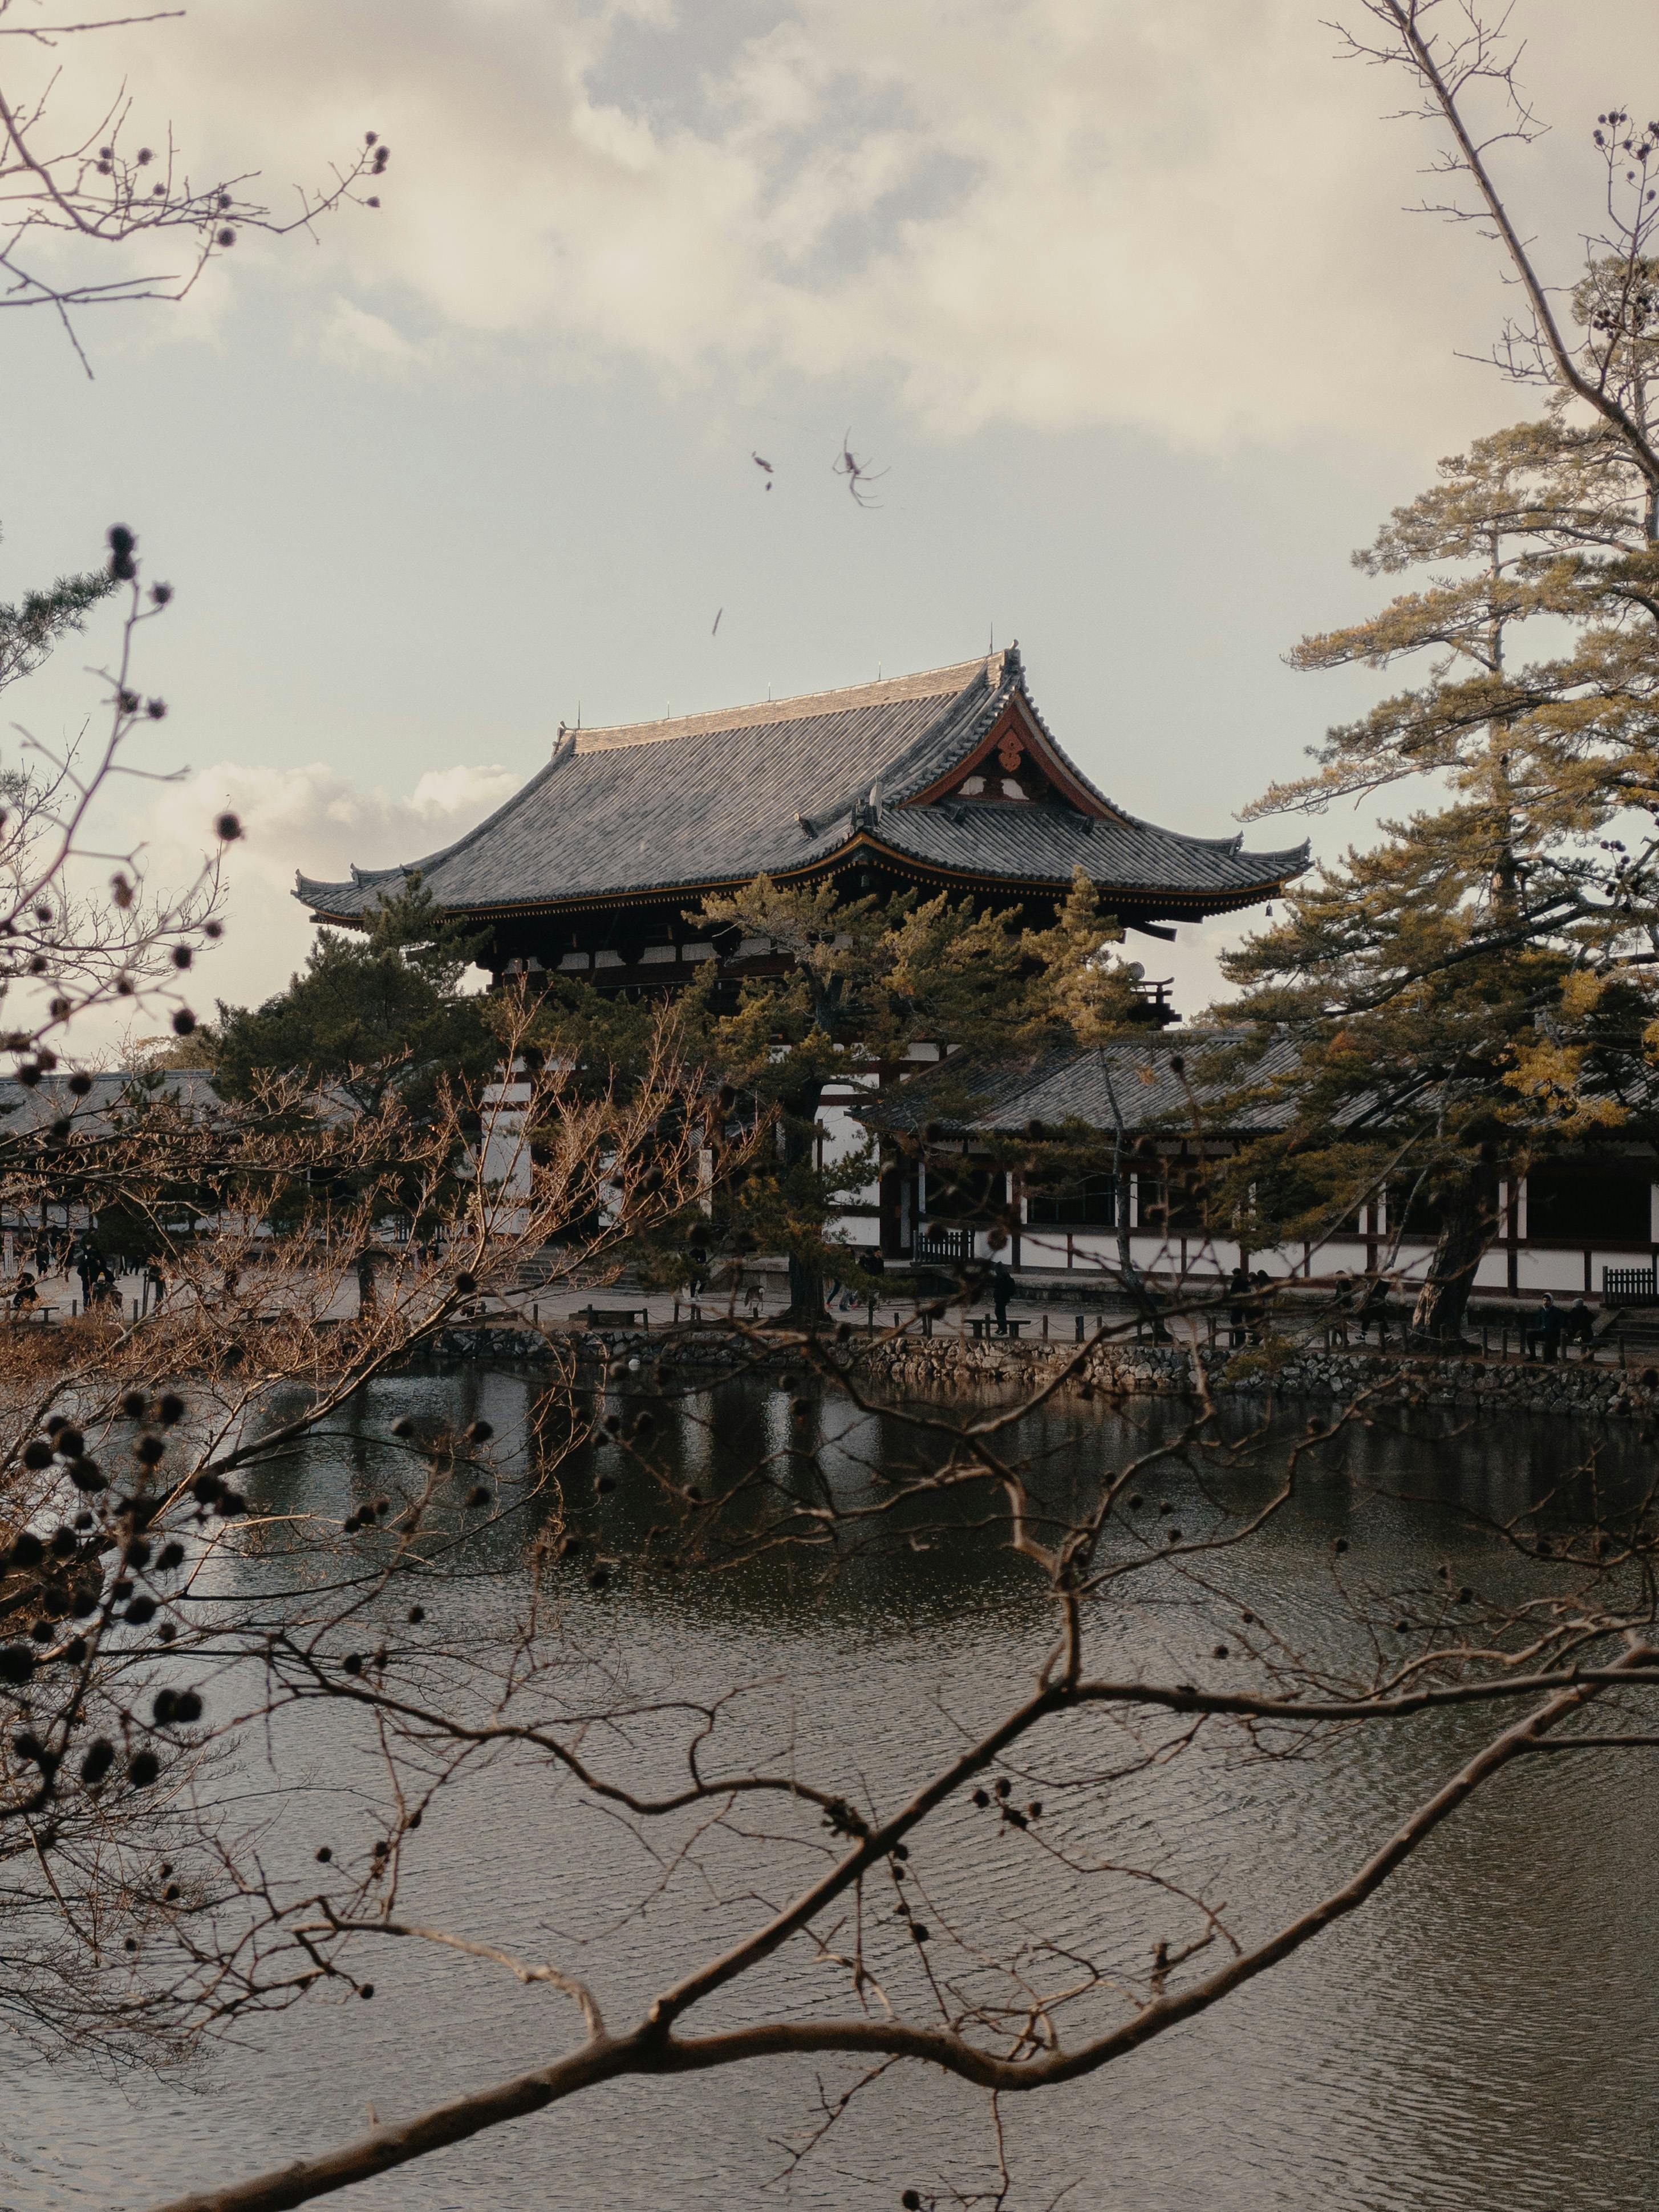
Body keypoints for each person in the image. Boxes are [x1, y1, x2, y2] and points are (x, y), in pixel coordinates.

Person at [1525, 1293, 1564, 1363]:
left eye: (1548, 1301)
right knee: (1530, 1335)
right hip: (1543, 1332)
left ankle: (1548, 1359)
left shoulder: (1557, 1311)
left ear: (1551, 1301)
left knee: (1549, 1340)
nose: (1546, 1302)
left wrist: (1554, 1329)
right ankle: (1533, 1356)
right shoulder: (1542, 1311)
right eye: (1544, 1300)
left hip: (1553, 1334)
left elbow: (1562, 1323)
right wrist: (1540, 1328)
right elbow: (1538, 1321)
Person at [991, 1260, 1015, 1334]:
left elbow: (996, 1285)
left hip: (1001, 1298)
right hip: (1003, 1298)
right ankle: (1001, 1328)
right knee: (1000, 1313)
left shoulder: (1001, 1277)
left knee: (999, 1313)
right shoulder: (1006, 1275)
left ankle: (1003, 1329)